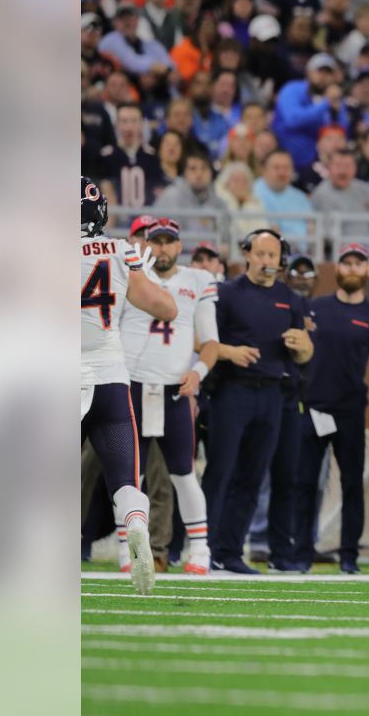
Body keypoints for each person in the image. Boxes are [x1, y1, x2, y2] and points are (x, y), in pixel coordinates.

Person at [80, 176, 177, 595]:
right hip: (110, 377)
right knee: (125, 478)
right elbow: (164, 307)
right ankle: (136, 525)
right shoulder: (121, 249)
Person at [203, 229, 312, 573]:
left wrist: (303, 346)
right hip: (233, 390)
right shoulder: (227, 293)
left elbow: (305, 354)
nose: (267, 261)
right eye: (261, 254)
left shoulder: (290, 299)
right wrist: (229, 352)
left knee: (252, 476)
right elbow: (202, 342)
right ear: (247, 254)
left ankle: (229, 551)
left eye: (273, 255)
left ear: (281, 260)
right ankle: (198, 547)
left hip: (272, 392)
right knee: (219, 473)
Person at [117, 217, 219, 575]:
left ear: (179, 246)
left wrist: (198, 372)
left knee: (183, 472)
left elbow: (210, 343)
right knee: (129, 476)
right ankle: (126, 551)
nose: (162, 247)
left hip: (176, 389)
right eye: (155, 240)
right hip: (130, 384)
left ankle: (201, 551)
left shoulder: (198, 280)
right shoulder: (128, 271)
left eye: (168, 241)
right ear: (145, 243)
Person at [293, 244, 369, 574]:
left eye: (358, 263)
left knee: (352, 485)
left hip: (351, 410)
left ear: (368, 271)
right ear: (337, 269)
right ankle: (301, 553)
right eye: (346, 263)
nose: (351, 268)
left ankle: (349, 556)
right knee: (305, 484)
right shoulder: (314, 308)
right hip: (314, 408)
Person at [99, 102, 165, 208]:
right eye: (124, 121)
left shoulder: (152, 156)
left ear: (142, 124)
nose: (129, 127)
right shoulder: (105, 156)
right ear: (116, 124)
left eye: (134, 121)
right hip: (115, 220)